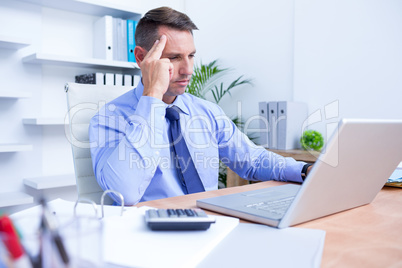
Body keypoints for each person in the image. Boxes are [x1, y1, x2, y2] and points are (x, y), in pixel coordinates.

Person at [89, 6, 312, 205]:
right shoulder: (109, 119)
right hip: (153, 235)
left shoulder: (207, 112)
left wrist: (304, 170)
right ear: (141, 57)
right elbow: (124, 193)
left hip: (211, 225)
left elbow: (251, 160)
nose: (188, 70)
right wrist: (153, 96)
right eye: (175, 57)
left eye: (191, 56)